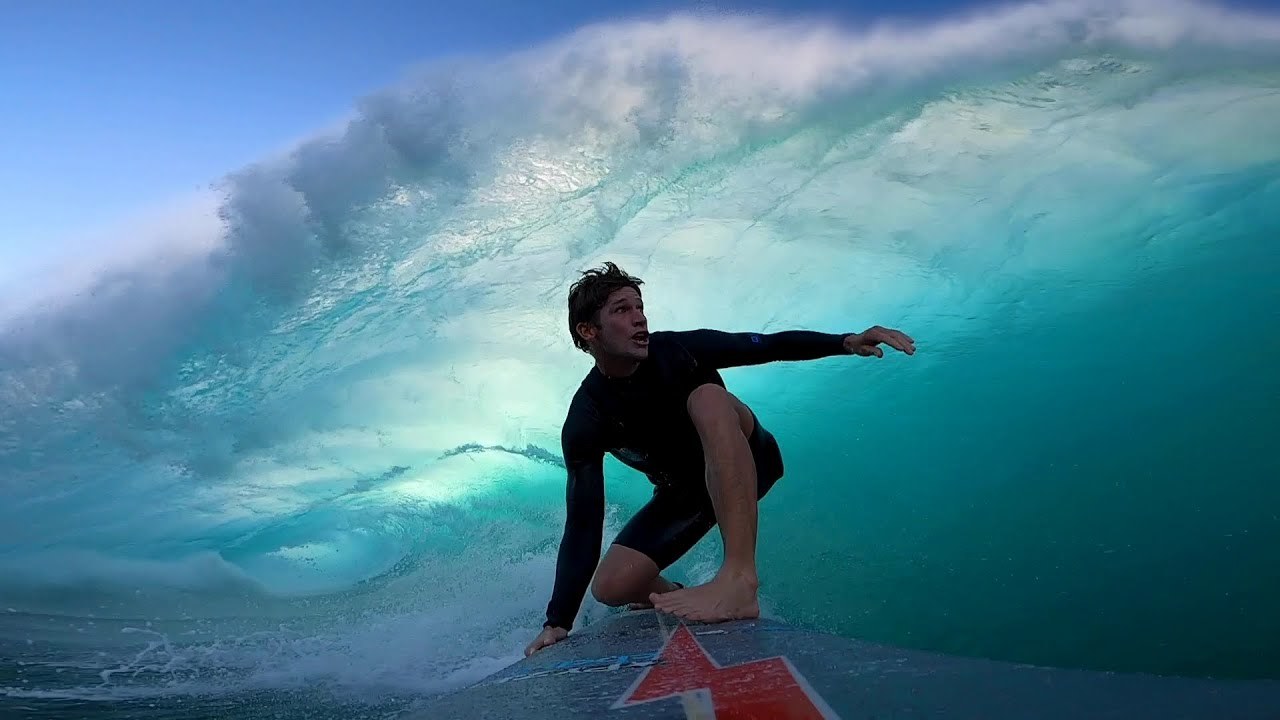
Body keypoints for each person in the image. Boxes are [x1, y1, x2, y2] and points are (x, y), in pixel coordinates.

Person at [524, 262, 915, 657]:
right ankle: (672, 597)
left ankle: (739, 578)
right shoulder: (586, 418)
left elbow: (766, 345)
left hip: (750, 459)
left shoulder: (676, 351)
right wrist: (557, 621)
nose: (639, 317)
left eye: (639, 306)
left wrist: (845, 341)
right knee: (611, 587)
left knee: (708, 397)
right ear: (588, 331)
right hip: (687, 494)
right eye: (622, 310)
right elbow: (583, 521)